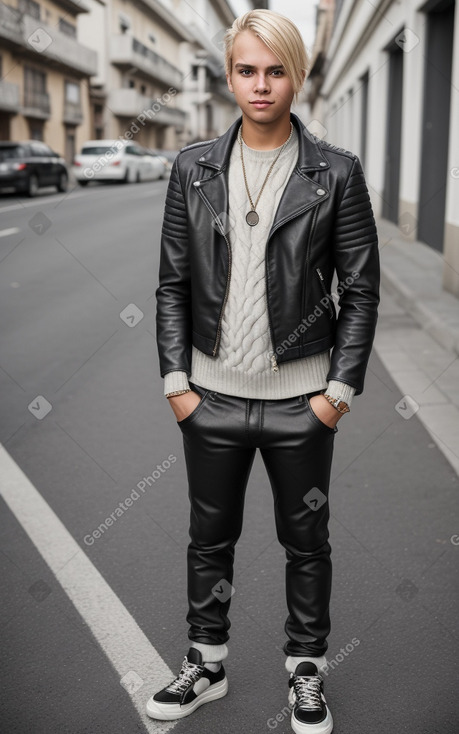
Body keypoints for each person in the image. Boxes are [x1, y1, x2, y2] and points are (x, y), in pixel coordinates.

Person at [146, 8, 380, 734]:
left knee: (305, 540)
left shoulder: (334, 172)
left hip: (299, 401)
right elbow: (171, 284)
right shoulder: (194, 167)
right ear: (228, 75)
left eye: (275, 71)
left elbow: (361, 287)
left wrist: (336, 392)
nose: (260, 85)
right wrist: (177, 384)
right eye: (247, 70)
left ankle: (304, 670)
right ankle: (205, 662)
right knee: (207, 538)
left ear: (296, 77)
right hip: (210, 399)